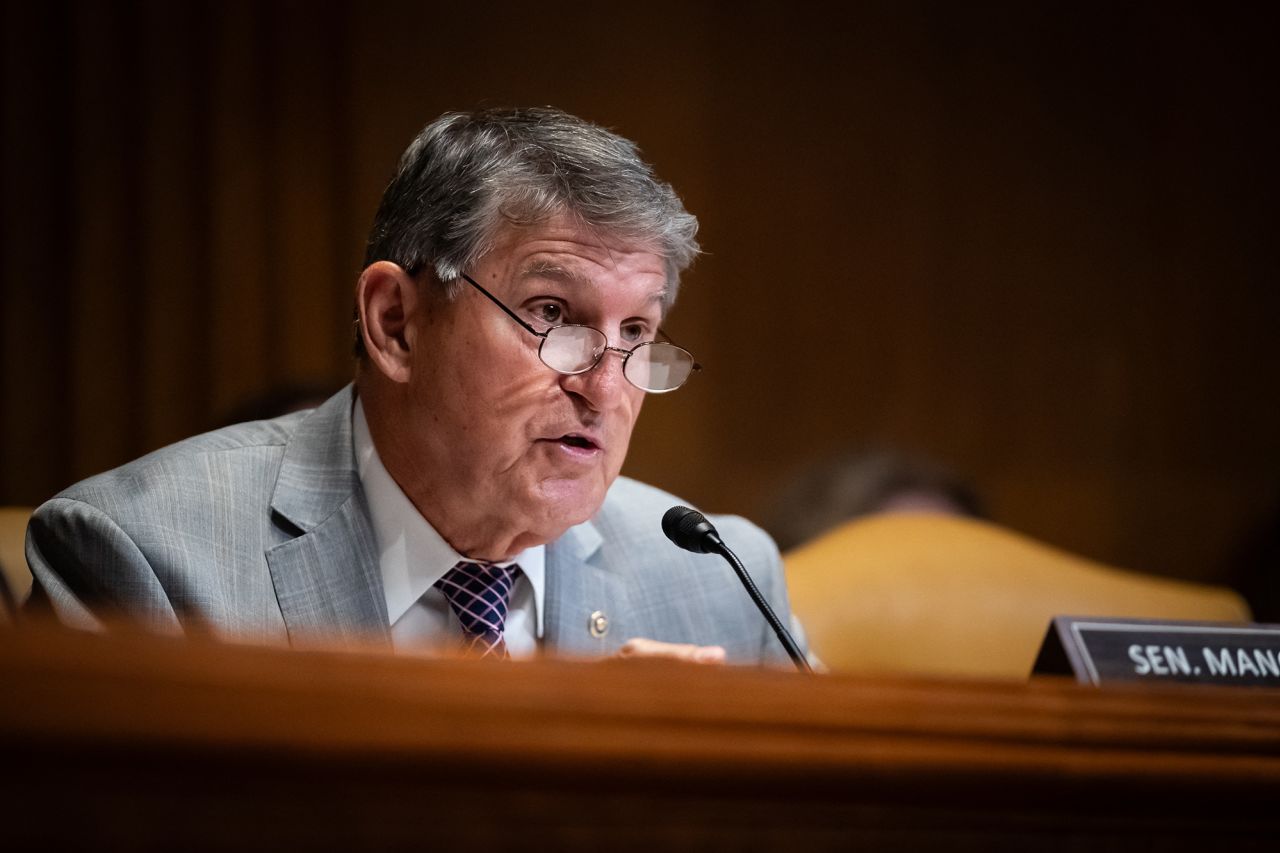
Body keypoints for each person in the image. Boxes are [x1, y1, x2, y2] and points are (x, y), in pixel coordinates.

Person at [25, 107, 802, 666]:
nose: (604, 386)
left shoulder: (722, 579)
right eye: (552, 313)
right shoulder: (145, 562)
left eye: (636, 333)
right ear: (396, 322)